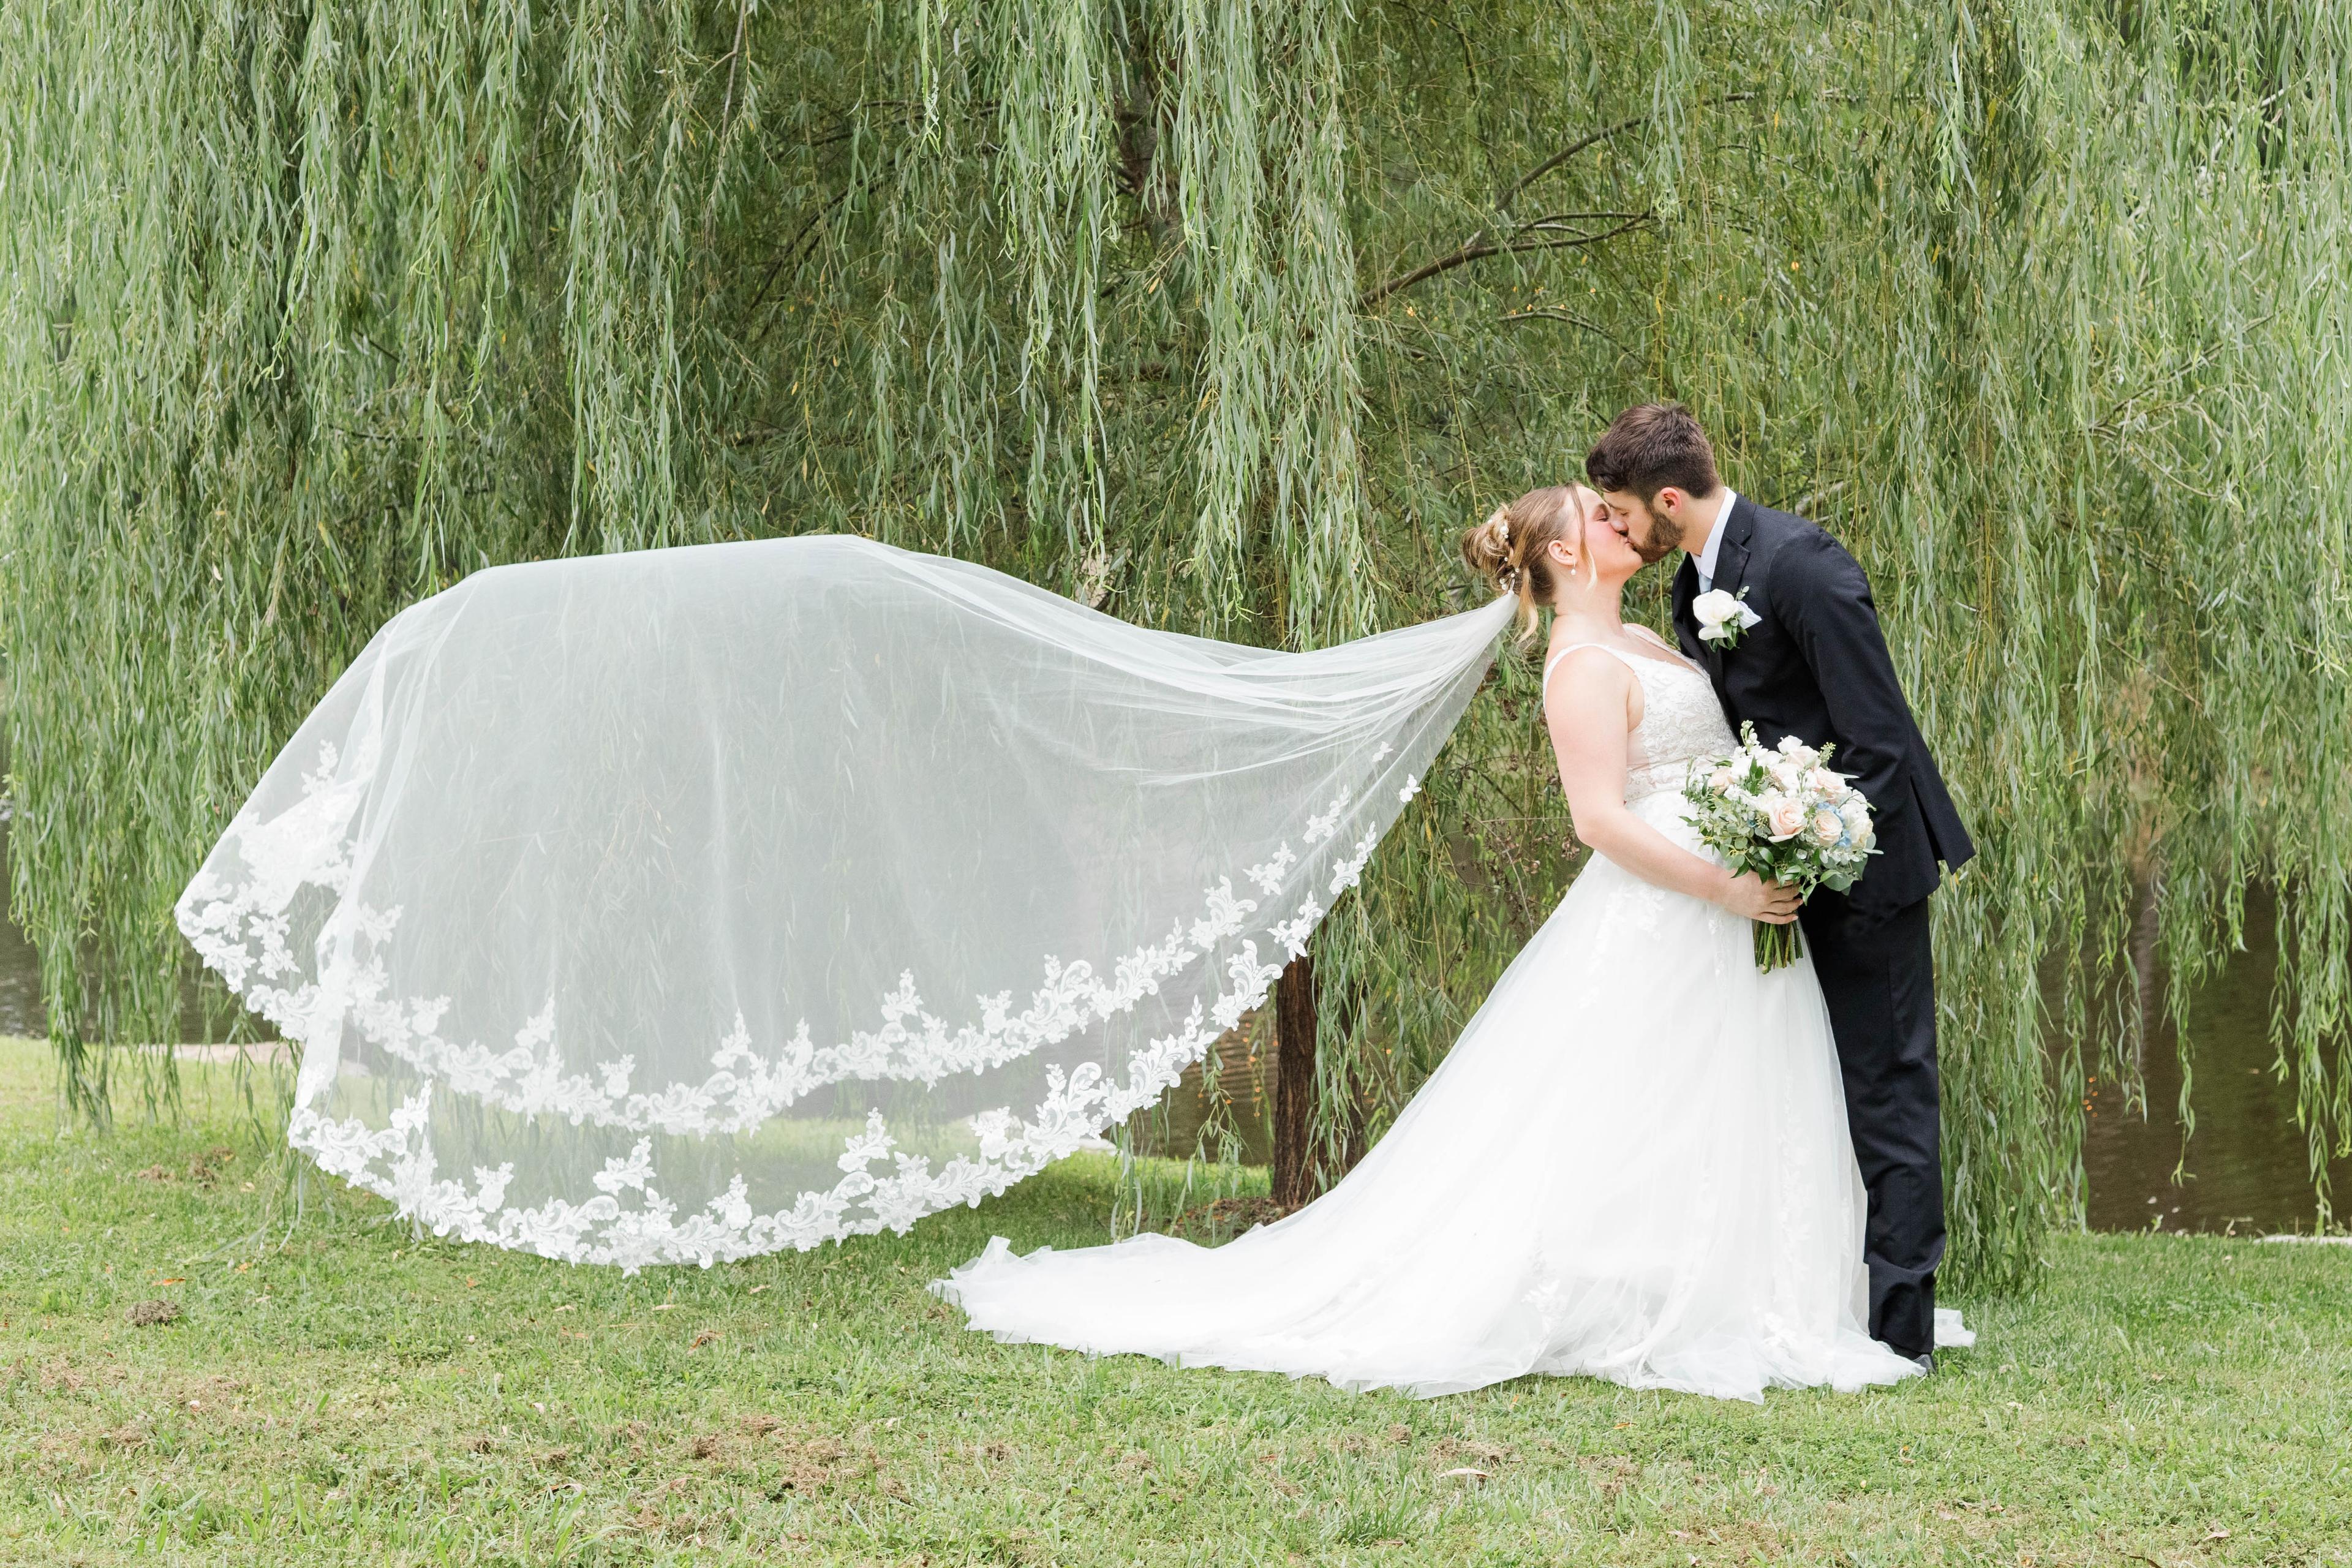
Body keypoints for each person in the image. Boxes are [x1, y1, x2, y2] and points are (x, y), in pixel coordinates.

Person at [937, 481, 1966, 1401]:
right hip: (1680, 904)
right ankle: (1646, 1291)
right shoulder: (1580, 664)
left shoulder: (1659, 640)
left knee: (1726, 1092)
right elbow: (1599, 821)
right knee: (1632, 1101)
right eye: (1599, 515)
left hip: (1728, 909)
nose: (1620, 522)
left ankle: (1757, 1283)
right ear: (1564, 552)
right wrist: (1723, 885)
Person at [1585, 402, 1975, 1370]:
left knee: (1889, 1090)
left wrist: (1817, 847)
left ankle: (1903, 1333)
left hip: (1865, 868)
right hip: (1780, 875)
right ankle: (1822, 1297)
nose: (1618, 529)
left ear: (1667, 501)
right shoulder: (1695, 581)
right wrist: (1762, 845)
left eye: (1622, 512)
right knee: (1807, 1091)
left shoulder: (1804, 566)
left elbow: (1879, 742)